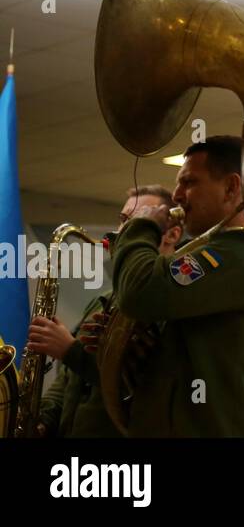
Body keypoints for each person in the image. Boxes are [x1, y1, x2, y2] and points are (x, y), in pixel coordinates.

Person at [112, 135, 244, 437]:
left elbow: (140, 292)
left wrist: (140, 227)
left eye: (190, 182)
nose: (177, 195)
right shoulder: (221, 254)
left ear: (232, 188)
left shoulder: (238, 257)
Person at [30, 186, 183, 438]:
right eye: (123, 220)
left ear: (172, 234)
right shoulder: (104, 298)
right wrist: (45, 419)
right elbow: (69, 379)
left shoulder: (169, 300)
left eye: (136, 221)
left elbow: (143, 387)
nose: (120, 231)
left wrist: (69, 350)